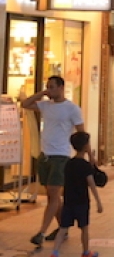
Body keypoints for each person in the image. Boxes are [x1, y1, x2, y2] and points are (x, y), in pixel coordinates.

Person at [22, 75, 86, 247]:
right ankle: (63, 226)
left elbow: (82, 133)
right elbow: (25, 104)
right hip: (45, 155)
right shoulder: (45, 105)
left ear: (61, 87)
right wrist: (41, 93)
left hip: (61, 155)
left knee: (53, 192)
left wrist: (84, 156)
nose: (50, 90)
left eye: (52, 87)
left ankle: (41, 232)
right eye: (48, 87)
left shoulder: (72, 109)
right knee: (53, 195)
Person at [47, 131, 103, 257]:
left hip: (68, 201)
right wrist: (98, 201)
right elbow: (91, 184)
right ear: (86, 146)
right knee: (84, 228)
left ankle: (54, 254)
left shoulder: (68, 164)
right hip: (82, 202)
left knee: (63, 229)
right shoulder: (85, 166)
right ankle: (85, 253)